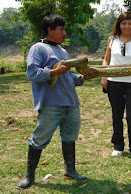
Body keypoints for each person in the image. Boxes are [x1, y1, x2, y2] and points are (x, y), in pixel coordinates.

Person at [17, 14, 96, 189]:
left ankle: (70, 170)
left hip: (71, 103)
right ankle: (29, 176)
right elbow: (32, 74)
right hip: (51, 104)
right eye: (61, 29)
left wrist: (83, 77)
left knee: (69, 137)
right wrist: (53, 72)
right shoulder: (38, 49)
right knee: (39, 139)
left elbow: (67, 77)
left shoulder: (63, 51)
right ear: (50, 30)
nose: (65, 33)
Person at [101, 11, 131, 162]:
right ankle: (118, 146)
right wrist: (104, 77)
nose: (127, 27)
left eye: (130, 24)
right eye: (124, 23)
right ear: (119, 25)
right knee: (117, 115)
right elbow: (106, 60)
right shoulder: (112, 40)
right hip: (114, 81)